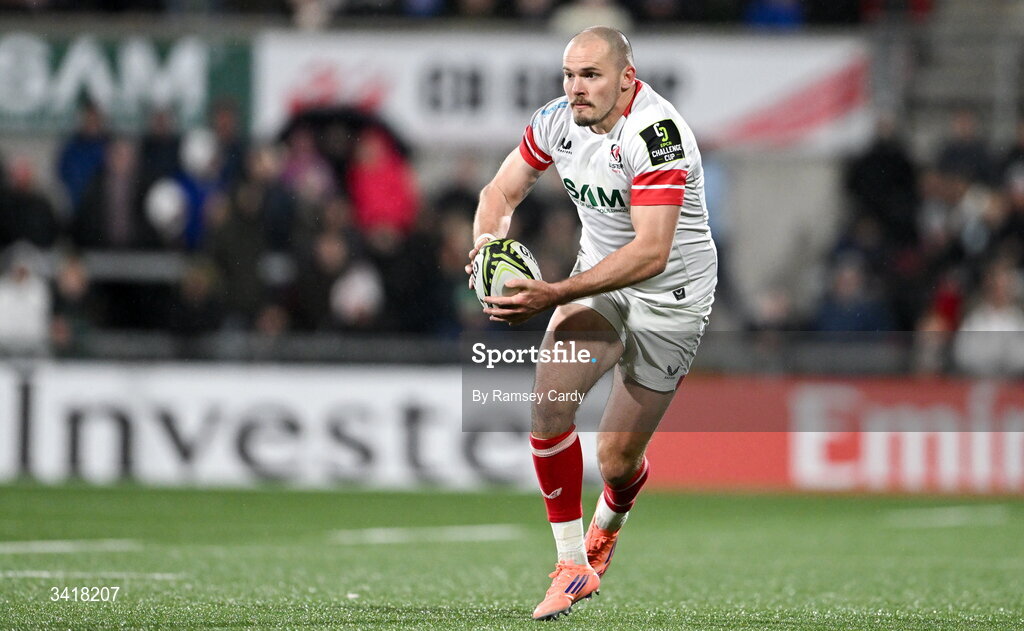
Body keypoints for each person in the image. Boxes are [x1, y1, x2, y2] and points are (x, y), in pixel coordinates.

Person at [465, 27, 717, 621]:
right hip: (598, 284)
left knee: (616, 460)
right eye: (569, 74)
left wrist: (552, 291)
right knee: (550, 403)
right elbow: (499, 193)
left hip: (670, 298)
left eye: (591, 76)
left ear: (627, 78)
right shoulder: (556, 120)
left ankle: (610, 519)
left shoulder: (657, 137)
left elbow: (651, 253)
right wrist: (485, 250)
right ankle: (573, 565)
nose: (576, 88)